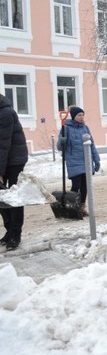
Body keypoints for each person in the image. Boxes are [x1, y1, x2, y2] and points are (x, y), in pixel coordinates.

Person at [57, 106, 100, 216]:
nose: (81, 117)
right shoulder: (66, 128)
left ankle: (81, 207)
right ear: (73, 116)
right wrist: (62, 141)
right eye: (79, 115)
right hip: (74, 161)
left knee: (85, 186)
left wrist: (96, 159)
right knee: (76, 185)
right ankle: (73, 206)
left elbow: (92, 145)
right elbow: (60, 147)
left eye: (82, 115)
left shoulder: (85, 128)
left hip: (86, 160)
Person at [0, 93, 29, 250]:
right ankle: (9, 230)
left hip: (14, 160)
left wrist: (0, 171)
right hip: (4, 158)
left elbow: (3, 143)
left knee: (14, 196)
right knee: (2, 197)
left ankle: (15, 234)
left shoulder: (5, 113)